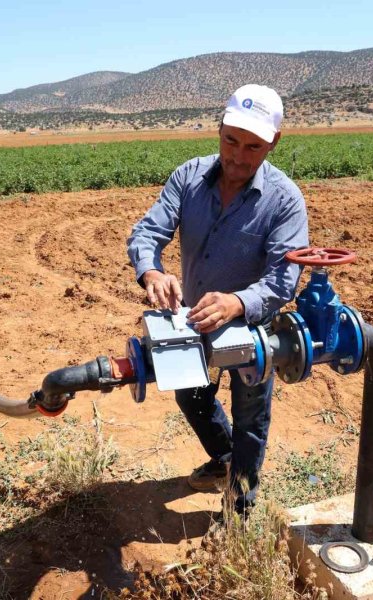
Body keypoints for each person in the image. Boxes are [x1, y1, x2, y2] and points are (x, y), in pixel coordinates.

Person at [126, 84, 309, 515]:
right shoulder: (188, 177)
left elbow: (284, 278)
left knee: (251, 418)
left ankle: (240, 509)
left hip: (253, 331)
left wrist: (238, 303)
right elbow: (148, 232)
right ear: (219, 127)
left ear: (274, 143)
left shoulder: (285, 201)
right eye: (231, 140)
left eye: (254, 147)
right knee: (189, 395)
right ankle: (226, 460)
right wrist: (151, 270)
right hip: (192, 319)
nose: (239, 157)